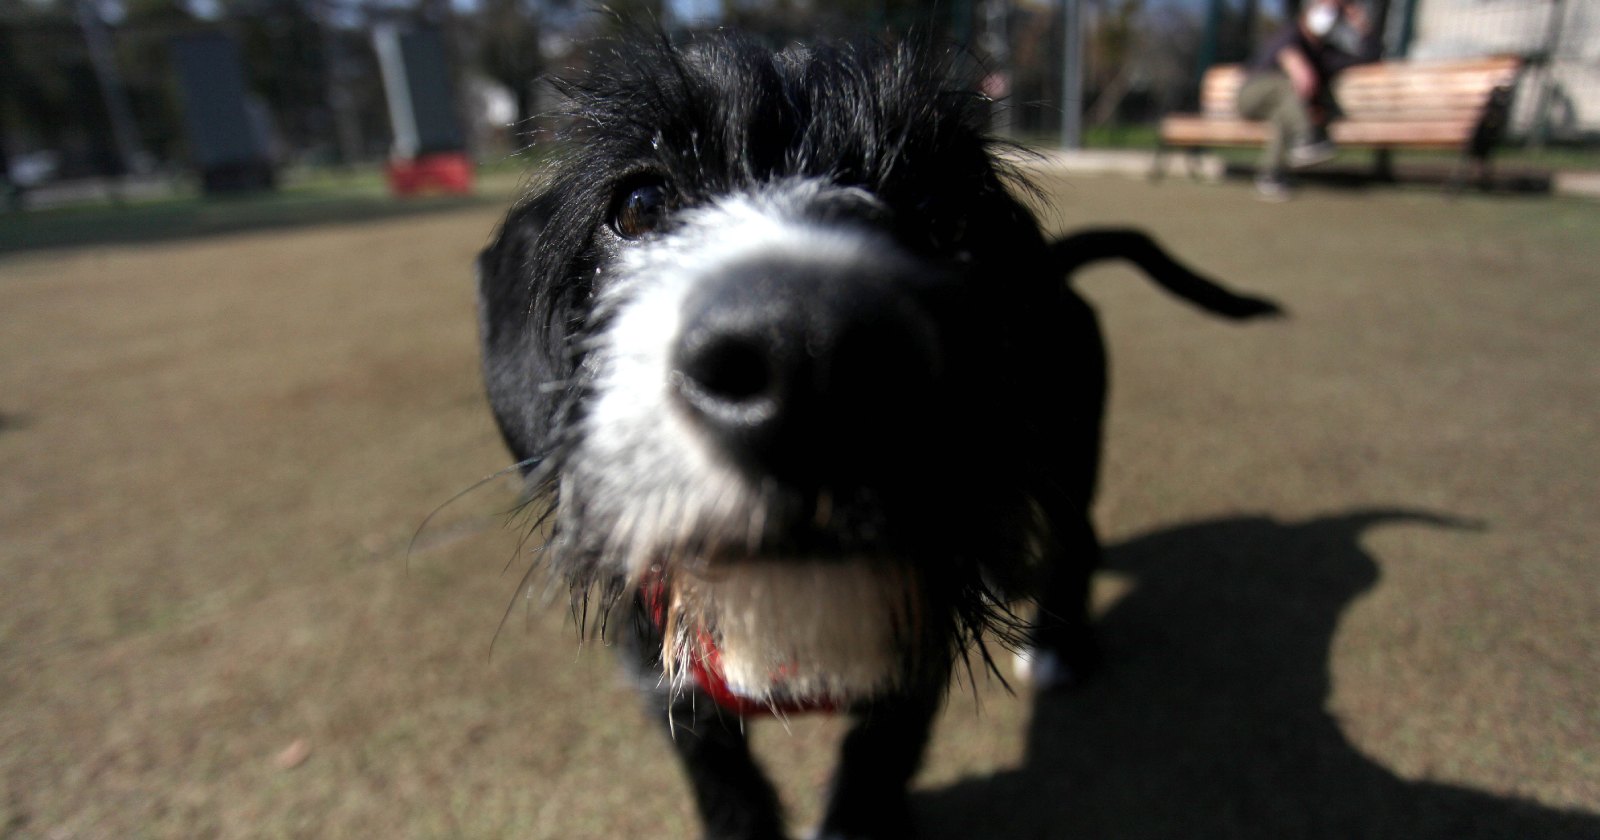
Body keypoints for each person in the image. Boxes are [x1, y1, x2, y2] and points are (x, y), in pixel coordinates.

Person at [1238, 0, 1382, 199]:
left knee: (1284, 116)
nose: (1328, 13)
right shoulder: (1290, 33)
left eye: (1334, 11)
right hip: (1252, 95)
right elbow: (1292, 63)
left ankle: (1270, 175)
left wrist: (1362, 25)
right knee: (1290, 86)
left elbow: (1368, 58)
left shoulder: (1324, 53)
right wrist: (1295, 65)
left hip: (1289, 105)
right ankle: (1306, 138)